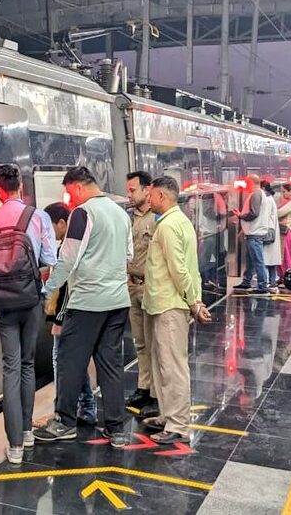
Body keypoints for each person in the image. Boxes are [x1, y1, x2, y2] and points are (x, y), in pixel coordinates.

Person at [34, 166, 132, 448]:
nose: (70, 200)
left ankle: (64, 422)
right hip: (118, 301)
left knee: (69, 361)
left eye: (69, 193)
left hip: (88, 302)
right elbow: (128, 254)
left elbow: (67, 259)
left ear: (77, 187)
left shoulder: (83, 213)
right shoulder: (120, 213)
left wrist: (48, 289)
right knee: (110, 364)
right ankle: (116, 429)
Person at [0, 164, 57, 464]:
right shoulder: (37, 216)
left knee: (11, 369)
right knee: (27, 365)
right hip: (31, 301)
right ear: (21, 188)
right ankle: (27, 433)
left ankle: (13, 447)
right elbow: (49, 259)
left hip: (2, 305)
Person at [141, 176, 212, 444]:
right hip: (162, 303)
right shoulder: (180, 221)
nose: (148, 200)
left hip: (170, 304)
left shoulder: (169, 226)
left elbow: (179, 269)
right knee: (162, 364)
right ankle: (167, 414)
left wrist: (194, 302)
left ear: (162, 196)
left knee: (173, 366)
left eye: (151, 195)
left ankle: (178, 424)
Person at [43, 202, 97, 427]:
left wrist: (59, 319)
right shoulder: (78, 246)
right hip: (80, 310)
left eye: (50, 227)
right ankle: (86, 405)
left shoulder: (68, 249)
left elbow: (66, 288)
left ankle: (65, 410)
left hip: (69, 312)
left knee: (62, 360)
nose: (48, 233)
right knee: (73, 361)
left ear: (63, 224)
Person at [124, 171, 158, 415]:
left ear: (148, 190)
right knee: (140, 342)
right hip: (131, 285)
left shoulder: (158, 219)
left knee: (155, 342)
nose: (129, 194)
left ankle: (156, 393)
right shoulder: (127, 218)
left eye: (133, 190)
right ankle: (143, 387)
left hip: (150, 286)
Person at [232, 174, 270, 295]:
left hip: (255, 233)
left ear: (251, 182)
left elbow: (254, 213)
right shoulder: (259, 194)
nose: (245, 185)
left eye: (247, 183)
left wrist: (240, 216)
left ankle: (262, 285)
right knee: (250, 261)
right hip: (252, 233)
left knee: (258, 260)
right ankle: (246, 281)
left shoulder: (256, 195)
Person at [260, 182, 282, 291]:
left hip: (268, 232)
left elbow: (265, 216)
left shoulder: (267, 200)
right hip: (272, 231)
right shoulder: (271, 198)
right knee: (270, 260)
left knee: (265, 259)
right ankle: (272, 281)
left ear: (263, 188)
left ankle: (269, 281)